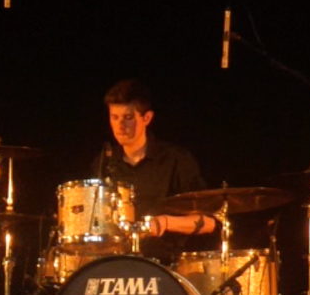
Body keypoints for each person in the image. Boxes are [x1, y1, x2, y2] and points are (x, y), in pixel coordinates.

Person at [88, 80, 215, 260]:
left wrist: (165, 222)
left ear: (146, 118)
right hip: (116, 264)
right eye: (114, 117)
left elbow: (209, 222)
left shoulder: (175, 159)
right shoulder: (103, 163)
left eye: (128, 117)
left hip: (166, 265)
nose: (120, 126)